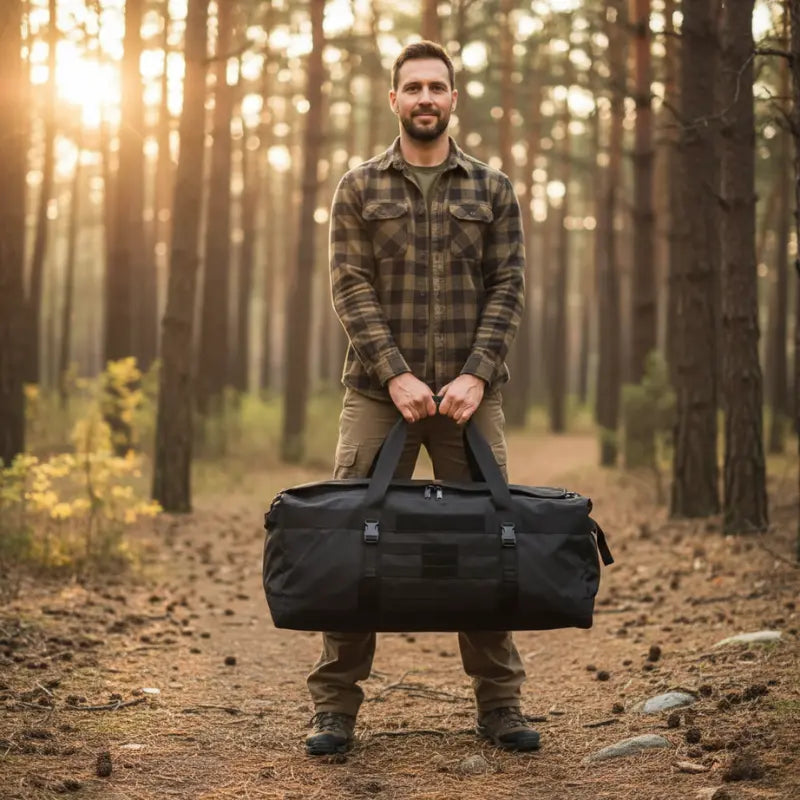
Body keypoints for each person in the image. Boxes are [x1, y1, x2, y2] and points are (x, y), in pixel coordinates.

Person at [306, 40, 537, 756]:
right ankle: (334, 709)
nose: (426, 98)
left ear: (455, 98)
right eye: (414, 87)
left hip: (473, 398)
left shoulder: (492, 189)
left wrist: (474, 373)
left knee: (488, 542)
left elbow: (508, 287)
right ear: (394, 100)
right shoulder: (358, 186)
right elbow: (351, 286)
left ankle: (501, 706)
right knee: (352, 541)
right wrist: (395, 374)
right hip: (379, 396)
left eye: (438, 86)